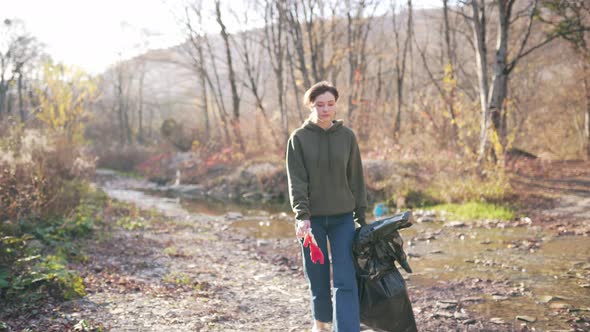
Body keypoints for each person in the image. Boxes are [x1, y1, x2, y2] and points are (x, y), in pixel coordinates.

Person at [286, 81, 367, 332]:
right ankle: (321, 323)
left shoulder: (347, 137)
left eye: (330, 104)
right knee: (318, 276)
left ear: (336, 104)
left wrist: (361, 217)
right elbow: (296, 181)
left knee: (346, 279)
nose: (325, 109)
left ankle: (346, 329)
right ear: (311, 105)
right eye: (320, 105)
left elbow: (356, 178)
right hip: (313, 221)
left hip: (343, 218)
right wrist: (302, 216)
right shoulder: (298, 139)